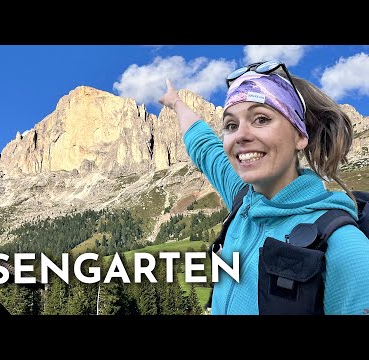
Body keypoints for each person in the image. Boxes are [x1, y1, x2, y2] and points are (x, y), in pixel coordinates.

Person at [158, 60, 369, 315]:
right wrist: (176, 102)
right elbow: (203, 146)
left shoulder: (345, 247)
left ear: (300, 136)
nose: (241, 136)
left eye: (261, 119)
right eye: (231, 125)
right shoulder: (243, 199)